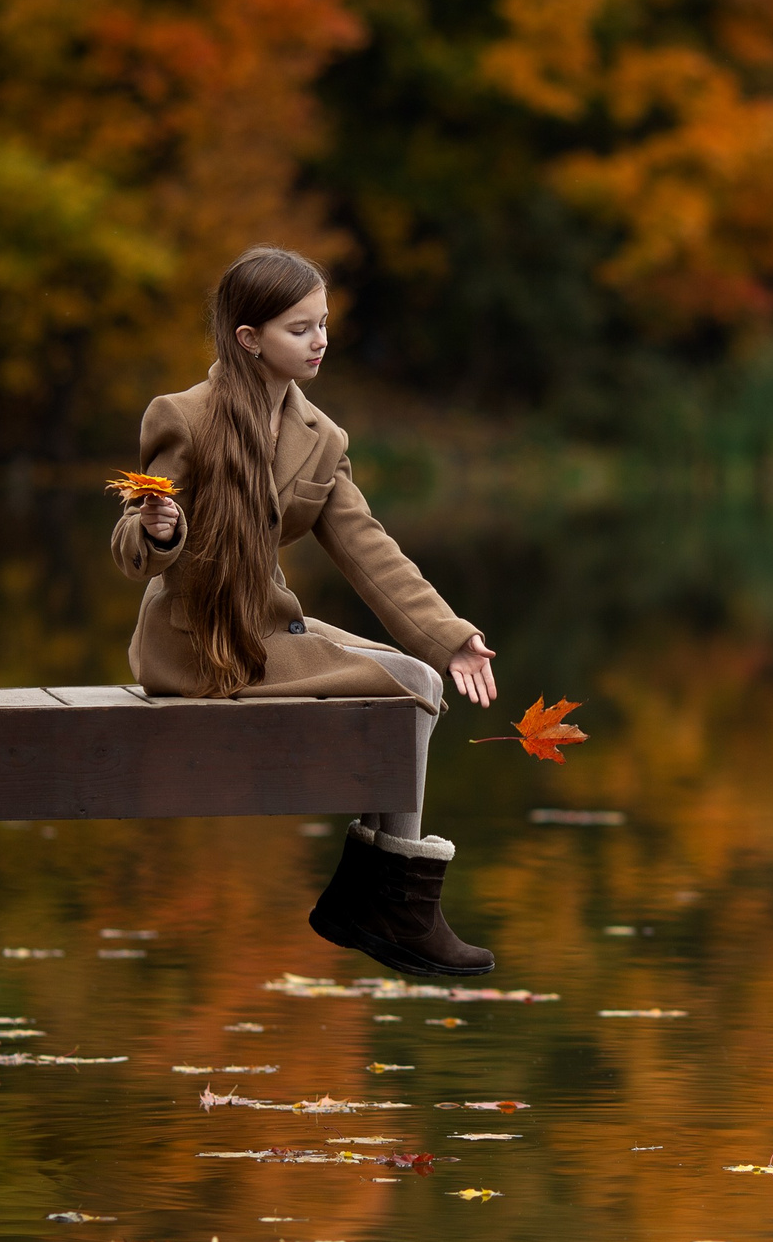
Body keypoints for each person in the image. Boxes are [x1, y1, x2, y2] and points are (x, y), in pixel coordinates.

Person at [112, 245, 497, 976]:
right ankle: (391, 904)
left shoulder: (321, 437)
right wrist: (158, 530)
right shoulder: (183, 417)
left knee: (418, 673)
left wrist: (450, 636)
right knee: (413, 687)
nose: (320, 340)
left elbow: (368, 548)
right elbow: (134, 545)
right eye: (300, 328)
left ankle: (374, 896)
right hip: (197, 642)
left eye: (323, 323)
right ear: (249, 338)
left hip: (266, 626)